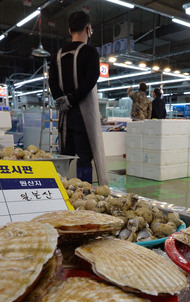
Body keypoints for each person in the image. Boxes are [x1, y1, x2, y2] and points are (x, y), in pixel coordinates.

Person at [49, 11, 108, 185]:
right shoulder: (90, 52)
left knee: (64, 158)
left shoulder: (57, 55)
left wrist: (61, 99)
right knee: (84, 158)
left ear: (69, 30)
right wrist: (73, 99)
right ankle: (85, 195)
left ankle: (61, 192)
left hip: (64, 118)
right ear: (88, 29)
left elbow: (52, 81)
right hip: (84, 119)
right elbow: (91, 79)